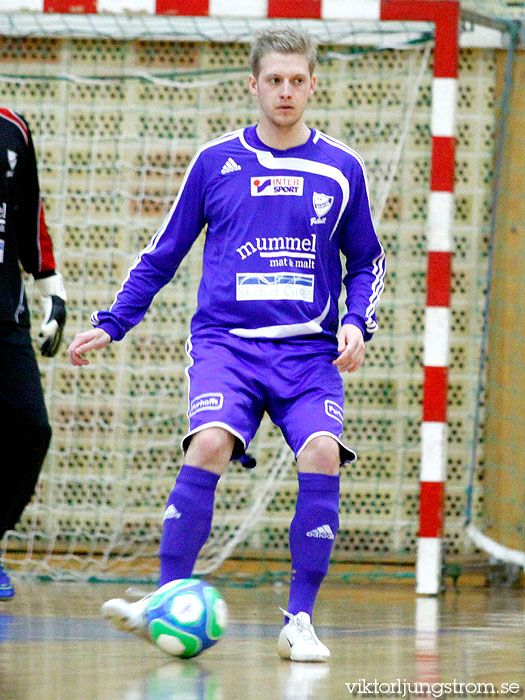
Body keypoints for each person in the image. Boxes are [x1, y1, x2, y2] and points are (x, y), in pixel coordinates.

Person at [67, 27, 385, 662]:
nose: (286, 91)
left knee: (322, 453)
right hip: (228, 348)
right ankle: (162, 600)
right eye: (275, 80)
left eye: (298, 80)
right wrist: (113, 321)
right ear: (253, 85)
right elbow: (164, 252)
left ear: (313, 85)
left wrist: (357, 322)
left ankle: (299, 620)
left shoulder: (341, 167)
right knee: (209, 441)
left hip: (308, 356)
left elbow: (367, 262)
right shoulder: (216, 162)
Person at [0, 108, 67, 599]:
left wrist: (54, 293)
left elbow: (30, 218)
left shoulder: (13, 129)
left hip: (5, 313)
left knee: (31, 427)